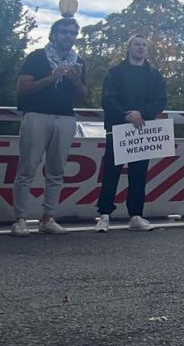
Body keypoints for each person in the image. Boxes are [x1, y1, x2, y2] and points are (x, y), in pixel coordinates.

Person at [12, 17, 87, 237]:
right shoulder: (37, 57)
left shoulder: (78, 61)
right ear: (53, 34)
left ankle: (48, 218)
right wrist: (52, 77)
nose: (68, 37)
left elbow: (83, 98)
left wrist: (76, 82)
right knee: (27, 169)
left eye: (73, 33)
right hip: (36, 115)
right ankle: (20, 219)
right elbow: (22, 88)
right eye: (64, 32)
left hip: (64, 118)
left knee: (57, 171)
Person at [96, 34, 167, 233]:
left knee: (139, 174)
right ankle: (104, 214)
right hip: (118, 128)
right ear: (129, 48)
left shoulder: (154, 75)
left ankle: (136, 215)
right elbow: (108, 99)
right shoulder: (115, 72)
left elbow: (160, 100)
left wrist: (141, 113)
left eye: (144, 45)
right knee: (111, 172)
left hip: (142, 130)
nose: (140, 47)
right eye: (137, 44)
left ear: (147, 50)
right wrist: (126, 115)